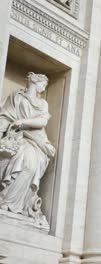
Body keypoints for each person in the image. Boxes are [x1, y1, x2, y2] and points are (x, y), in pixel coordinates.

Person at [0, 72, 56, 222]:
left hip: (36, 140)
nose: (43, 89)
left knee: (30, 163)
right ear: (34, 82)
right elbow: (5, 115)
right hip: (17, 137)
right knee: (21, 156)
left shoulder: (43, 103)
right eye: (42, 85)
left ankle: (14, 204)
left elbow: (43, 122)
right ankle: (5, 202)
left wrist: (22, 122)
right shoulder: (16, 97)